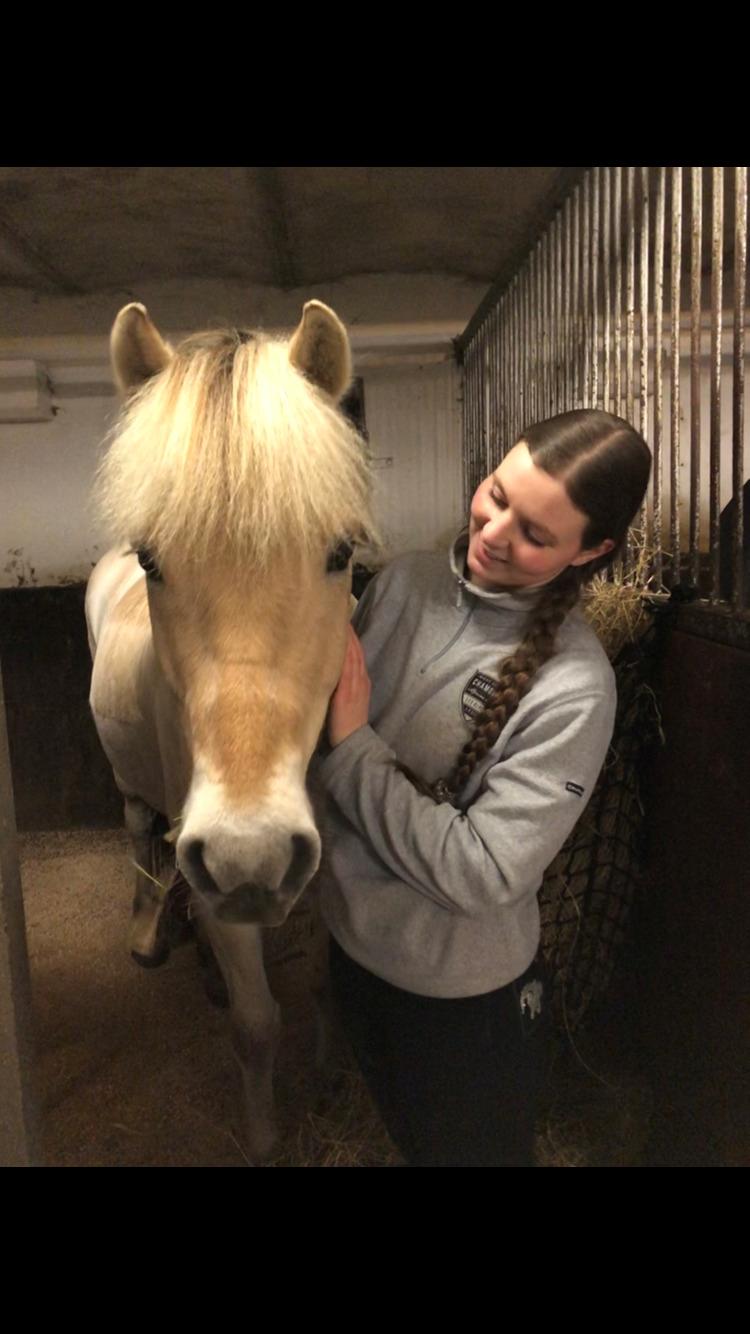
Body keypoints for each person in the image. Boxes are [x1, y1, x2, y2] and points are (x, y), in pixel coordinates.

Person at [314, 409, 652, 1167]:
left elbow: (484, 871)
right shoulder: (401, 584)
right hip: (353, 950)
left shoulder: (574, 688)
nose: (494, 533)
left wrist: (353, 746)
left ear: (590, 550)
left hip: (458, 1001)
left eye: (535, 534)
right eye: (496, 494)